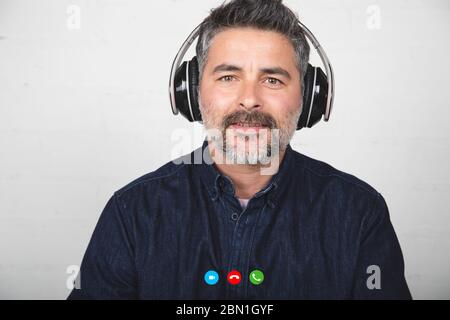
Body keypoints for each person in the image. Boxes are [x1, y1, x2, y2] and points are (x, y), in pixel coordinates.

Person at [68, 0, 411, 299]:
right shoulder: (132, 213)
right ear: (192, 93)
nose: (249, 99)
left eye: (272, 79)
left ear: (309, 99)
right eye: (228, 77)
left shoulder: (360, 213)